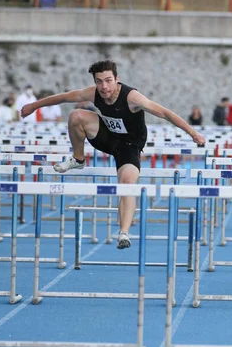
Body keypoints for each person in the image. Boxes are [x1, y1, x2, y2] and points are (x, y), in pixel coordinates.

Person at [20, 60, 206, 249]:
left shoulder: (132, 97)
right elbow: (66, 97)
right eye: (99, 81)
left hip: (129, 146)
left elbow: (164, 113)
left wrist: (193, 133)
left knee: (126, 184)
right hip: (107, 136)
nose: (104, 86)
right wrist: (34, 106)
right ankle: (78, 158)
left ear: (117, 79)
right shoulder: (93, 93)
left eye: (108, 80)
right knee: (76, 115)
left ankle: (124, 232)